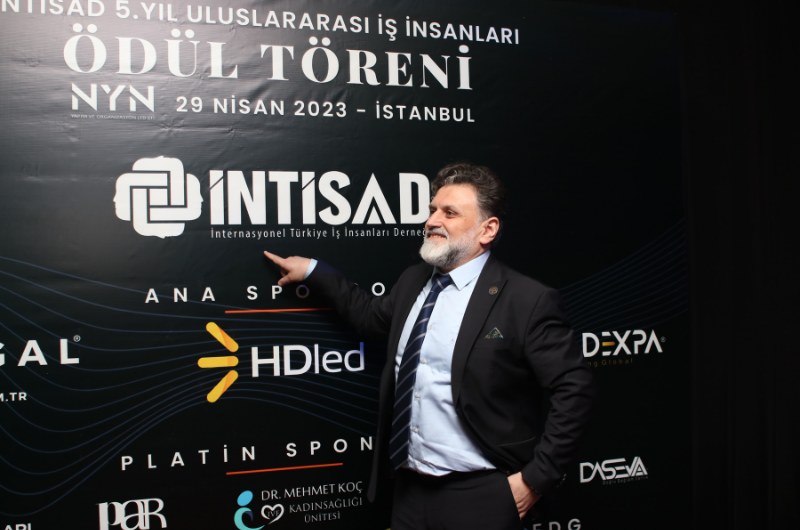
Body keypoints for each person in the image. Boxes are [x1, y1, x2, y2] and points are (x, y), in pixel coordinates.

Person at [264, 162, 596, 530]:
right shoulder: (413, 280)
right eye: (432, 210)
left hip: (482, 494)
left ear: (487, 229)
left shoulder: (526, 299)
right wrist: (313, 271)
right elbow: (370, 316)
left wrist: (535, 479)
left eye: (449, 213)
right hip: (409, 490)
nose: (432, 221)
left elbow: (574, 389)